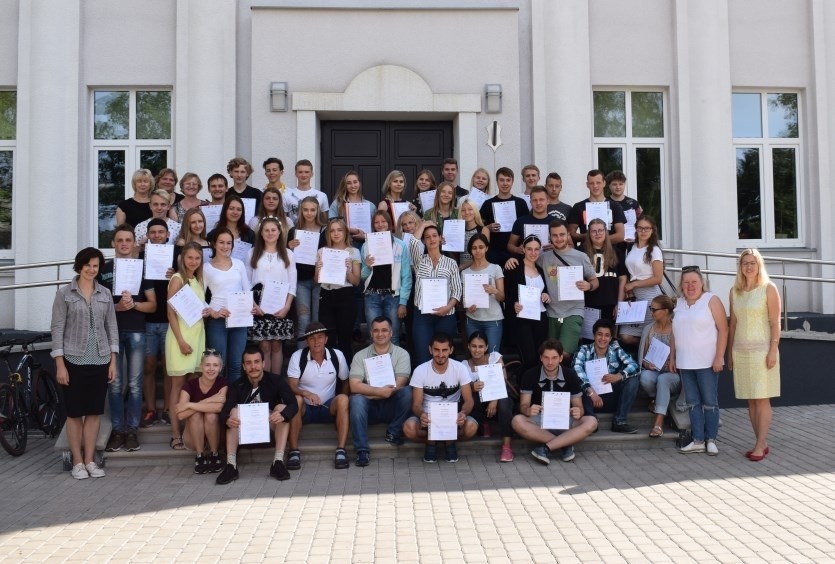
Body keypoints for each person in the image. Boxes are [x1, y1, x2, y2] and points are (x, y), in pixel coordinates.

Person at [51, 247, 119, 480]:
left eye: (95, 266)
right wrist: (60, 364)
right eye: (88, 265)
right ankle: (77, 462)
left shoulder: (105, 293)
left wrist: (113, 361)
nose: (91, 269)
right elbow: (57, 328)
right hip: (72, 360)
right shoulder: (64, 293)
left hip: (100, 359)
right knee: (74, 413)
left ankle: (90, 460)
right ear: (79, 265)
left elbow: (112, 327)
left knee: (93, 413)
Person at [99, 225, 157, 453]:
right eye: (120, 240)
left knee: (134, 384)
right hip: (111, 333)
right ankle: (117, 430)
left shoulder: (142, 268)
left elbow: (153, 305)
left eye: (128, 240)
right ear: (113, 243)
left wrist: (134, 305)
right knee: (114, 385)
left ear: (134, 243)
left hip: (137, 331)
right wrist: (117, 307)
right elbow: (97, 304)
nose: (124, 244)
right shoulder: (103, 269)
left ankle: (132, 430)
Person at [506, 220, 598, 363]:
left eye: (562, 234)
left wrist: (589, 286)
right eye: (555, 235)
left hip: (573, 311)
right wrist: (512, 259)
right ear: (550, 237)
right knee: (548, 355)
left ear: (568, 235)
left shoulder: (581, 256)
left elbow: (595, 281)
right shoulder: (543, 258)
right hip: (550, 313)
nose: (559, 238)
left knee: (564, 354)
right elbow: (528, 260)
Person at [216, 346, 299, 484]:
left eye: (256, 362)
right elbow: (225, 410)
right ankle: (231, 465)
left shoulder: (276, 380)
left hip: (270, 431)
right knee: (233, 412)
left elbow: (293, 404)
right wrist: (227, 420)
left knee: (281, 409)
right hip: (244, 433)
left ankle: (278, 462)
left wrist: (283, 415)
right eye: (248, 363)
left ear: (263, 363)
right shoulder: (237, 385)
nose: (253, 366)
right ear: (244, 366)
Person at [728, 248, 781, 461]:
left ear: (759, 265)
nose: (749, 267)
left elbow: (775, 322)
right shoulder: (735, 292)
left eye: (752, 263)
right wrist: (729, 353)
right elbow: (733, 325)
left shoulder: (769, 288)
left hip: (762, 352)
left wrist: (773, 350)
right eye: (745, 263)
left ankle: (760, 444)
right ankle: (761, 441)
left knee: (761, 398)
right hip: (740, 352)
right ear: (740, 267)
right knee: (750, 400)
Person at [512, 339, 597, 465]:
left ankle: (546, 448)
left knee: (591, 422)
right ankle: (564, 445)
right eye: (546, 357)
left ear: (561, 358)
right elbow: (523, 406)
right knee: (517, 421)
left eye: (554, 358)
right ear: (541, 358)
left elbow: (579, 407)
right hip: (540, 421)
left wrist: (578, 411)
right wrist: (528, 410)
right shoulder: (529, 375)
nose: (550, 362)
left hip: (565, 420)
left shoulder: (570, 375)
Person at [672, 266, 729, 456]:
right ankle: (698, 440)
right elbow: (674, 332)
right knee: (692, 403)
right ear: (681, 285)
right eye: (686, 282)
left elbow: (724, 329)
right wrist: (672, 356)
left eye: (694, 282)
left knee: (709, 402)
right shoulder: (679, 303)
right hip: (685, 362)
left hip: (707, 362)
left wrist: (719, 356)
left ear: (702, 283)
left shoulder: (711, 300)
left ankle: (711, 439)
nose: (690, 286)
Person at [402, 333, 478, 463]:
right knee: (408, 428)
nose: (440, 354)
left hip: (453, 419)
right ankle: (431, 441)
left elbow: (469, 400)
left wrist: (463, 414)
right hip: (429, 418)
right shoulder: (420, 370)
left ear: (451, 350)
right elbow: (416, 404)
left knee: (471, 427)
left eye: (444, 350)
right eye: (436, 350)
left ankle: (448, 441)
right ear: (430, 349)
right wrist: (422, 415)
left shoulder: (460, 368)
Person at [348, 316, 413, 466]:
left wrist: (371, 392)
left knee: (409, 392)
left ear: (391, 333)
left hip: (391, 405)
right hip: (369, 407)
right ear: (371, 333)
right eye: (376, 330)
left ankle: (394, 432)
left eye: (384, 330)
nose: (380, 334)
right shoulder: (360, 355)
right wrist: (379, 392)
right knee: (356, 400)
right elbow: (354, 386)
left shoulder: (402, 354)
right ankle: (362, 450)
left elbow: (400, 383)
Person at [286, 322, 351, 470]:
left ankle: (341, 450)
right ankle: (294, 451)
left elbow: (346, 381)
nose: (316, 341)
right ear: (307, 342)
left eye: (320, 337)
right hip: (305, 409)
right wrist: (306, 393)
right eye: (312, 338)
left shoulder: (337, 355)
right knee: (296, 400)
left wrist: (342, 409)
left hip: (328, 407)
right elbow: (291, 385)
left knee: (343, 399)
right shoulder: (298, 356)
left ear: (326, 339)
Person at [165, 241, 210, 450]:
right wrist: (181, 341)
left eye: (197, 258)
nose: (193, 261)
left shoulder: (197, 279)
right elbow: (170, 313)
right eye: (190, 257)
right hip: (180, 337)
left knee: (192, 386)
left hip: (197, 337)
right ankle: (175, 434)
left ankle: (189, 431)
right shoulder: (177, 279)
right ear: (182, 258)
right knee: (178, 386)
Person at [573, 318, 641, 433]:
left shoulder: (615, 349)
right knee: (577, 381)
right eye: (599, 334)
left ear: (610, 338)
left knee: (633, 378)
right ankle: (591, 421)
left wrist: (618, 376)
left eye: (607, 335)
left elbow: (635, 366)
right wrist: (591, 393)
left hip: (610, 396)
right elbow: (576, 370)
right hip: (589, 398)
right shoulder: (584, 350)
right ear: (594, 335)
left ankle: (619, 421)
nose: (603, 338)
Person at [247, 216, 296, 373]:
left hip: (280, 302)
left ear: (279, 232)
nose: (270, 233)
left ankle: (275, 381)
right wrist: (254, 305)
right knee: (264, 345)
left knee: (276, 344)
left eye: (273, 230)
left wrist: (287, 307)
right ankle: (265, 381)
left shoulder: (288, 254)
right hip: (258, 303)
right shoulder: (252, 253)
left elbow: (292, 283)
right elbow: (246, 283)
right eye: (266, 230)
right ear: (261, 233)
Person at [409, 220, 462, 365]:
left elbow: (457, 290)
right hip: (423, 316)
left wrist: (448, 307)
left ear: (440, 238)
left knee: (443, 357)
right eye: (427, 237)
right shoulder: (419, 261)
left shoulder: (451, 263)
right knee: (422, 357)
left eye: (434, 236)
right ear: (424, 241)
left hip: (446, 316)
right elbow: (413, 243)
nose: (431, 239)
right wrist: (423, 224)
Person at [203, 228, 252, 383]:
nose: (225, 246)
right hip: (217, 322)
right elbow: (199, 296)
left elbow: (247, 290)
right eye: (221, 242)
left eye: (229, 243)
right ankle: (219, 397)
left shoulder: (239, 264)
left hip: (239, 320)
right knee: (218, 365)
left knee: (236, 365)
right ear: (214, 244)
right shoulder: (206, 267)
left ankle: (233, 397)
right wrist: (213, 312)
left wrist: (252, 306)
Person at [140, 219, 175, 428]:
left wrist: (175, 275)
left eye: (161, 232)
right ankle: (151, 409)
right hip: (147, 321)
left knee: (170, 368)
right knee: (149, 366)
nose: (157, 235)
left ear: (168, 234)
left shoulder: (175, 256)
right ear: (148, 235)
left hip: (170, 320)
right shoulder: (140, 258)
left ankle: (169, 409)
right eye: (153, 232)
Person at [360, 210, 411, 346]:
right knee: (374, 337)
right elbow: (362, 276)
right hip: (372, 296)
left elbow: (406, 276)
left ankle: (394, 361)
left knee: (393, 337)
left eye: (383, 221)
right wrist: (368, 267)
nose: (380, 224)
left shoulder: (400, 246)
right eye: (376, 222)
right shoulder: (366, 246)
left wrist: (403, 302)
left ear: (389, 224)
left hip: (393, 297)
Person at [315, 217, 361, 363]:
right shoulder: (322, 251)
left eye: (339, 230)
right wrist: (318, 270)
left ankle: (345, 375)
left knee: (345, 339)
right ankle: (330, 372)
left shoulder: (353, 252)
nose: (336, 233)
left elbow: (356, 281)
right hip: (326, 295)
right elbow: (317, 280)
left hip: (345, 295)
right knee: (328, 338)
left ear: (345, 232)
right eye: (332, 230)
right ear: (328, 233)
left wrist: (348, 271)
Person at [464, 331, 514, 462]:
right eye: (474, 346)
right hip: (479, 402)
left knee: (504, 402)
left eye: (481, 346)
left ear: (486, 347)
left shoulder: (495, 357)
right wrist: (471, 387)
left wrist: (494, 400)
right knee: (471, 397)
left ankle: (507, 446)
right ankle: (483, 423)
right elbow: (463, 388)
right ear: (468, 346)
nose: (477, 350)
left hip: (499, 396)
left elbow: (502, 381)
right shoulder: (464, 365)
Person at [503, 235, 550, 370]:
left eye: (536, 249)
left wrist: (545, 295)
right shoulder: (514, 266)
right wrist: (513, 304)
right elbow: (505, 293)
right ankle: (524, 381)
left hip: (541, 316)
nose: (533, 253)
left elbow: (544, 291)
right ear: (523, 249)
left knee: (540, 355)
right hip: (522, 318)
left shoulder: (541, 269)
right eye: (529, 249)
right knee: (529, 357)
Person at [176, 350, 227, 474]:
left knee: (211, 416)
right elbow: (181, 414)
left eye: (215, 365)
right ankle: (200, 456)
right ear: (201, 367)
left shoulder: (223, 383)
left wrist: (189, 405)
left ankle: (214, 454)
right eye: (207, 365)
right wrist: (210, 400)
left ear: (220, 368)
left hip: (215, 435)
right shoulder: (189, 385)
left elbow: (218, 408)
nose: (211, 369)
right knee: (196, 415)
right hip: (193, 437)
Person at [638, 295, 680, 438]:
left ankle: (658, 423)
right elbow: (643, 357)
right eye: (651, 309)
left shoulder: (677, 328)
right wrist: (646, 364)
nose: (651, 312)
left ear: (666, 310)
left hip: (674, 374)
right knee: (645, 377)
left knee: (663, 380)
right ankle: (656, 398)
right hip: (654, 371)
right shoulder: (649, 329)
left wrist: (675, 363)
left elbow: (687, 354)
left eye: (654, 309)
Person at [619, 215, 664, 346]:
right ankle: (646, 347)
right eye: (640, 228)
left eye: (647, 228)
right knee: (625, 336)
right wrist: (631, 287)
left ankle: (650, 350)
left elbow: (658, 278)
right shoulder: (631, 247)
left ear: (652, 230)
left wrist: (635, 284)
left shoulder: (655, 250)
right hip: (634, 297)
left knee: (649, 333)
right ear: (636, 229)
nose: (643, 231)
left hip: (650, 296)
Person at [289, 196, 325, 347]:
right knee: (303, 320)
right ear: (301, 211)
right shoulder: (293, 231)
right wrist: (289, 246)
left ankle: (318, 355)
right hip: (301, 280)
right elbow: (286, 257)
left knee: (317, 320)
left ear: (318, 211)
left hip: (320, 280)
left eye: (312, 210)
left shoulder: (325, 230)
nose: (309, 213)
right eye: (305, 210)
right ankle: (301, 356)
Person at [460, 234, 504, 350]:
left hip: (493, 320)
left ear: (486, 248)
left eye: (481, 247)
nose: (478, 251)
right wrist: (467, 306)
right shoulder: (465, 273)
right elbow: (463, 299)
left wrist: (494, 291)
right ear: (470, 250)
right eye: (474, 248)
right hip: (472, 319)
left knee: (492, 356)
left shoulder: (496, 268)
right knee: (475, 355)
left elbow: (502, 297)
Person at [479, 167, 529, 266]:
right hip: (493, 252)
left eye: (508, 180)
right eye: (501, 180)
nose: (505, 183)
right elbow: (478, 226)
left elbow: (526, 227)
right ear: (497, 182)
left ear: (512, 182)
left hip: (515, 253)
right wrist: (487, 228)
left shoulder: (520, 203)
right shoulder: (488, 204)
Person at [582, 218, 627, 322]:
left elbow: (623, 279)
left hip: (610, 303)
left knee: (607, 332)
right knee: (589, 332)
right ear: (589, 234)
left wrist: (619, 303)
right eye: (593, 231)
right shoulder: (581, 252)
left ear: (606, 232)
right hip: (588, 303)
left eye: (600, 230)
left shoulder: (617, 252)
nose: (597, 234)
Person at [568, 169, 626, 245]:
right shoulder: (578, 207)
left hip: (610, 250)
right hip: (586, 250)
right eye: (591, 183)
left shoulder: (615, 206)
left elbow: (620, 235)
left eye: (598, 183)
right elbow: (571, 233)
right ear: (587, 185)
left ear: (604, 183)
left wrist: (599, 240)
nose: (595, 186)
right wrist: (587, 237)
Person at [507, 185, 553, 256]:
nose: (538, 203)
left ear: (548, 201)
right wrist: (516, 249)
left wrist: (556, 247)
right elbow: (510, 245)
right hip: (525, 261)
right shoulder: (520, 221)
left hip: (548, 261)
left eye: (541, 199)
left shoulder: (556, 222)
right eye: (535, 200)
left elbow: (569, 245)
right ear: (530, 202)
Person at [283, 159, 329, 225]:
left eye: (306, 172)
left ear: (312, 174)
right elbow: (284, 220)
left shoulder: (322, 196)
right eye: (300, 172)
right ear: (296, 174)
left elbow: (325, 221)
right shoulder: (286, 195)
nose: (303, 175)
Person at [605, 170, 642, 244]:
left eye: (621, 184)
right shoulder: (605, 203)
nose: (618, 187)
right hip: (611, 244)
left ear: (624, 184)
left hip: (632, 243)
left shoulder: (633, 203)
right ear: (609, 185)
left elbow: (641, 223)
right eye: (614, 184)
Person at [457, 198, 491, 271]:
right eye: (463, 210)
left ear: (475, 211)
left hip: (478, 269)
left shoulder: (484, 230)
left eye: (470, 209)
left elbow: (483, 254)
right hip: (459, 270)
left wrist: (463, 266)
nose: (466, 212)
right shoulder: (457, 230)